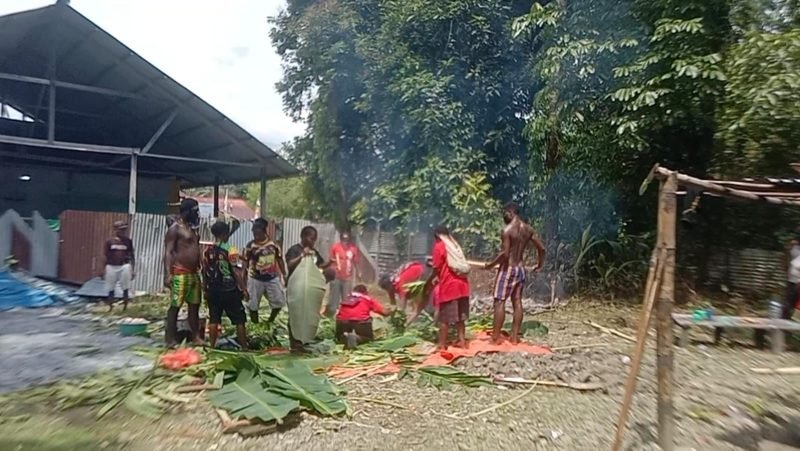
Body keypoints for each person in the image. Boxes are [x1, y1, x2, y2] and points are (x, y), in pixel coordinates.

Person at [484, 202, 546, 344]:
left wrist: (491, 265)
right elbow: (542, 249)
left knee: (499, 301)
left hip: (509, 269)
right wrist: (539, 264)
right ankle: (514, 337)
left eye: (505, 213)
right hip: (521, 269)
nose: (503, 216)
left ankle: (495, 339)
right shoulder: (528, 229)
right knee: (517, 302)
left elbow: (505, 255)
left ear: (511, 212)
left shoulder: (507, 231)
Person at [163, 198, 203, 347]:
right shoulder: (175, 229)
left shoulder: (191, 228)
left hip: (194, 274)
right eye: (195, 211)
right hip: (180, 273)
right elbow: (168, 252)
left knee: (194, 305)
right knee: (175, 306)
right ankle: (170, 339)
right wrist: (168, 274)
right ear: (186, 212)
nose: (197, 214)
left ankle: (195, 336)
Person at [285, 226, 332, 351]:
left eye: (314, 239)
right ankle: (294, 343)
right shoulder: (294, 250)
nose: (313, 242)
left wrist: (329, 264)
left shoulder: (314, 252)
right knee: (295, 314)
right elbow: (290, 265)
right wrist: (302, 255)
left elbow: (319, 266)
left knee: (308, 311)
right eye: (312, 239)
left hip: (309, 288)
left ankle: (304, 339)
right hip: (296, 287)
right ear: (304, 237)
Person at [203, 221, 248, 350]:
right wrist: (243, 289)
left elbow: (204, 271)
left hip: (212, 290)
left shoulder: (207, 251)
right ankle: (244, 347)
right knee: (239, 319)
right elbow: (235, 271)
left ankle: (212, 346)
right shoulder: (230, 249)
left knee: (214, 319)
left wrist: (205, 289)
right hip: (229, 289)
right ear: (225, 234)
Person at [427, 225, 471, 350]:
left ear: (437, 236)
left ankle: (441, 345)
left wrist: (428, 283)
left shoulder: (439, 247)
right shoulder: (455, 246)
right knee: (460, 317)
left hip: (450, 287)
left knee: (444, 318)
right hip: (463, 286)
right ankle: (462, 341)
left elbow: (436, 269)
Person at [243, 218, 287, 324]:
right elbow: (245, 262)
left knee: (279, 302)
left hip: (272, 278)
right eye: (254, 234)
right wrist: (243, 279)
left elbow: (279, 259)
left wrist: (284, 274)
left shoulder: (273, 245)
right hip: (255, 278)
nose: (256, 237)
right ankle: (256, 324)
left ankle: (270, 321)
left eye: (258, 234)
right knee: (252, 305)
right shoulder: (250, 246)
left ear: (264, 232)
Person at [336, 284, 391, 349]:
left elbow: (339, 314)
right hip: (360, 322)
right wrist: (391, 311)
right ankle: (357, 338)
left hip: (343, 322)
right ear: (365, 292)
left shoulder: (347, 298)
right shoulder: (367, 299)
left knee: (340, 338)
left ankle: (344, 337)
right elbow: (384, 312)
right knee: (367, 339)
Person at [101, 221, 135, 311]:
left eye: (124, 229)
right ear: (115, 229)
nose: (123, 231)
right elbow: (105, 255)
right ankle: (110, 306)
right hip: (111, 266)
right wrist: (103, 269)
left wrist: (133, 269)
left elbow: (132, 255)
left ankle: (125, 307)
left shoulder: (128, 241)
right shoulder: (109, 241)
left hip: (124, 266)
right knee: (110, 287)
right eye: (121, 229)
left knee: (125, 287)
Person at [327, 231, 361, 317]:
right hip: (336, 276)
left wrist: (358, 272)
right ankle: (331, 316)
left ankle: (345, 316)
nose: (345, 241)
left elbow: (355, 262)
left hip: (347, 277)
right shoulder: (335, 247)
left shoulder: (353, 249)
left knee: (346, 299)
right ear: (341, 239)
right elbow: (330, 260)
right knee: (333, 299)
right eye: (343, 239)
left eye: (347, 239)